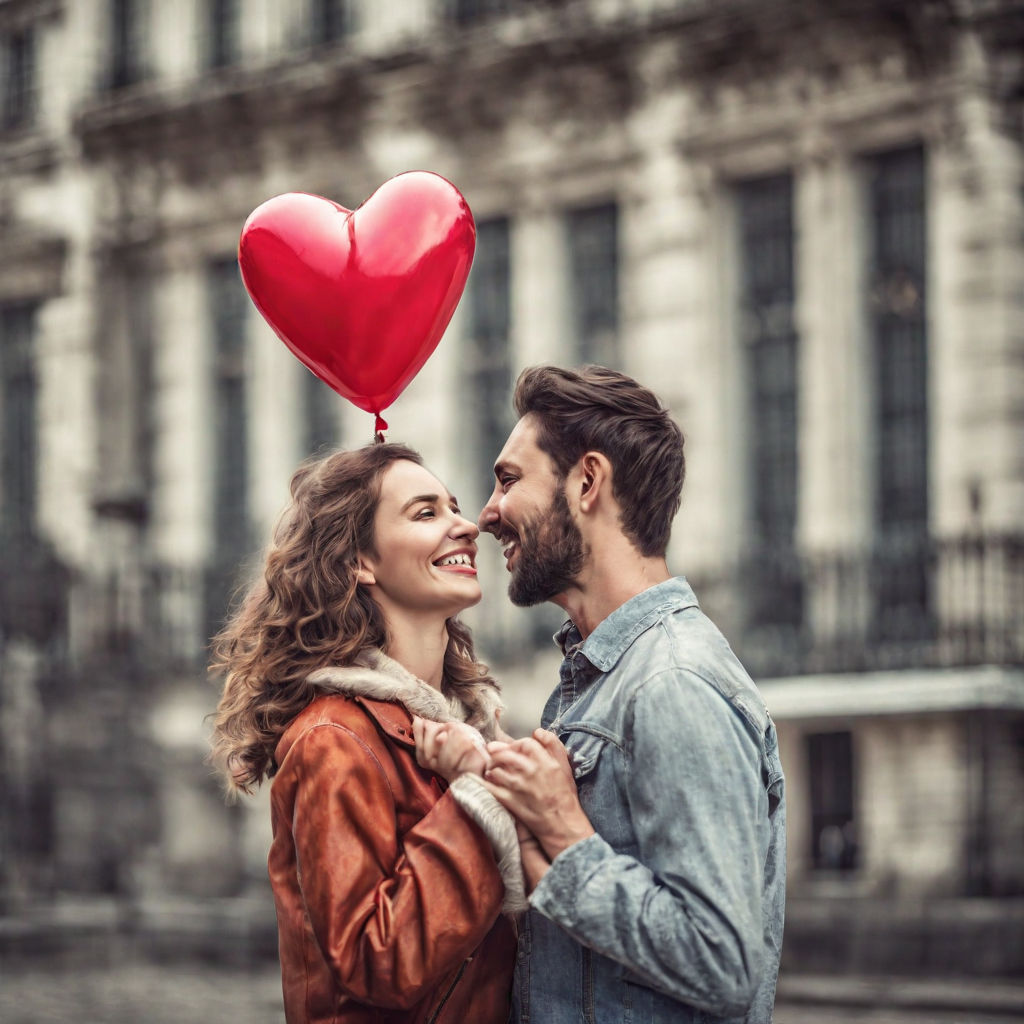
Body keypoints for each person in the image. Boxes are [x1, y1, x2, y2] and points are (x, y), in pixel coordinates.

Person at [477, 365, 787, 1023]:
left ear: (588, 482)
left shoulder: (671, 684)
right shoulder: (602, 678)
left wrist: (564, 833)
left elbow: (723, 963)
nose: (487, 514)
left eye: (508, 481)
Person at [209, 442, 524, 1024]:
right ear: (360, 561)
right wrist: (471, 797)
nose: (466, 526)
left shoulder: (467, 727)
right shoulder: (336, 739)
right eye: (426, 513)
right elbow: (375, 962)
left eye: (454, 507)